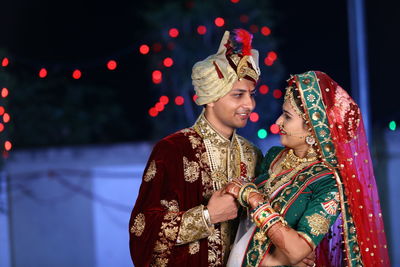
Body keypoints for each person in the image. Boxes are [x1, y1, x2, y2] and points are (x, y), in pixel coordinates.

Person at [225, 71, 391, 266]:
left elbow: (297, 251)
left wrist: (255, 200)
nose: (278, 122)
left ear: (313, 129)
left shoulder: (328, 182)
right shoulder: (274, 156)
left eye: (287, 117)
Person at [129, 29, 263, 266]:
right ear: (210, 97)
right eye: (238, 95)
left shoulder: (253, 154)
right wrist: (207, 216)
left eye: (251, 95)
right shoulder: (172, 150)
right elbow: (142, 230)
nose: (249, 104)